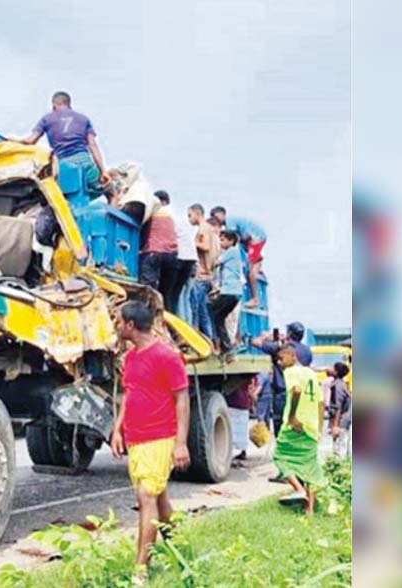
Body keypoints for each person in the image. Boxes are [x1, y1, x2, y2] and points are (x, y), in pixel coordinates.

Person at [110, 301, 190, 577]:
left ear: (130, 325)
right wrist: (117, 429)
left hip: (160, 436)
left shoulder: (167, 356)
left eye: (118, 321)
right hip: (136, 438)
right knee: (159, 499)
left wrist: (180, 443)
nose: (116, 326)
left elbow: (182, 398)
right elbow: (129, 394)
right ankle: (180, 549)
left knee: (146, 497)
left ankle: (141, 570)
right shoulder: (130, 358)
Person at [20, 91, 110, 198]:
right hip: (85, 162)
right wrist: (103, 171)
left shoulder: (47, 119)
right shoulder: (83, 119)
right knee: (110, 191)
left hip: (63, 165)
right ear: (68, 104)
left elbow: (30, 141)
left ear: (54, 104)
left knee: (64, 197)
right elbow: (93, 145)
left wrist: (12, 141)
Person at [272, 345, 324, 516]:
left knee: (280, 458)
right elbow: (320, 402)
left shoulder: (291, 372)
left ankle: (299, 489)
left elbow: (296, 390)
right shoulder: (310, 373)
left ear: (293, 356)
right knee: (309, 467)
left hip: (294, 425)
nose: (280, 363)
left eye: (282, 358)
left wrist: (293, 416)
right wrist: (319, 429)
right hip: (311, 427)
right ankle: (309, 510)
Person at [252, 322, 313, 438]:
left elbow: (255, 342)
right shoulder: (307, 351)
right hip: (301, 391)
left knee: (281, 424)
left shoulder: (281, 347)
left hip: (283, 392)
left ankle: (282, 447)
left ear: (289, 333)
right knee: (298, 421)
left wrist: (265, 337)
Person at [210, 206, 268, 308]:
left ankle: (255, 299)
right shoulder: (234, 223)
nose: (215, 220)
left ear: (222, 214)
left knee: (250, 272)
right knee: (250, 265)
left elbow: (232, 241)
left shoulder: (229, 223)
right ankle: (257, 267)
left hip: (256, 238)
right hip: (253, 238)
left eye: (216, 216)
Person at [208, 230, 244, 354]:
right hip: (232, 292)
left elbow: (215, 263)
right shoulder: (235, 253)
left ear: (231, 241)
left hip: (230, 292)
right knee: (219, 318)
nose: (220, 242)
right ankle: (226, 347)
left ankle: (216, 343)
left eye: (223, 240)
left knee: (210, 312)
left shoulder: (232, 251)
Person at [140, 191, 181, 298]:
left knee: (148, 290)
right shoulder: (172, 215)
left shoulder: (153, 212)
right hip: (172, 255)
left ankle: (148, 312)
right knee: (166, 294)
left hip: (155, 252)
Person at [187, 205, 218, 340]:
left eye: (190, 215)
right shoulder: (212, 230)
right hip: (209, 275)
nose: (189, 219)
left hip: (201, 275)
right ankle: (208, 339)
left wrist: (190, 243)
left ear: (197, 213)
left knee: (195, 309)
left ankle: (195, 340)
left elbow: (205, 246)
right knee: (202, 310)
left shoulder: (203, 229)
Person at [173, 199, 198, 317]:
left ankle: (179, 324)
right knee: (186, 297)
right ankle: (187, 326)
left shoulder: (173, 221)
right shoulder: (187, 227)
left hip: (182, 258)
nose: (188, 218)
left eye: (190, 215)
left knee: (178, 295)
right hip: (192, 261)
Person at [227, 375, 259, 462]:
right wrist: (252, 403)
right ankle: (243, 451)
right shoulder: (252, 377)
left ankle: (233, 451)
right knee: (242, 429)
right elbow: (252, 391)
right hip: (244, 403)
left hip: (233, 402)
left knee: (232, 429)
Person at [324, 362, 352, 457]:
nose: (329, 369)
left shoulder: (338, 386)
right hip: (342, 419)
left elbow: (338, 407)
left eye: (333, 368)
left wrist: (336, 426)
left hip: (341, 421)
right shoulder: (340, 384)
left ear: (336, 372)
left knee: (339, 448)